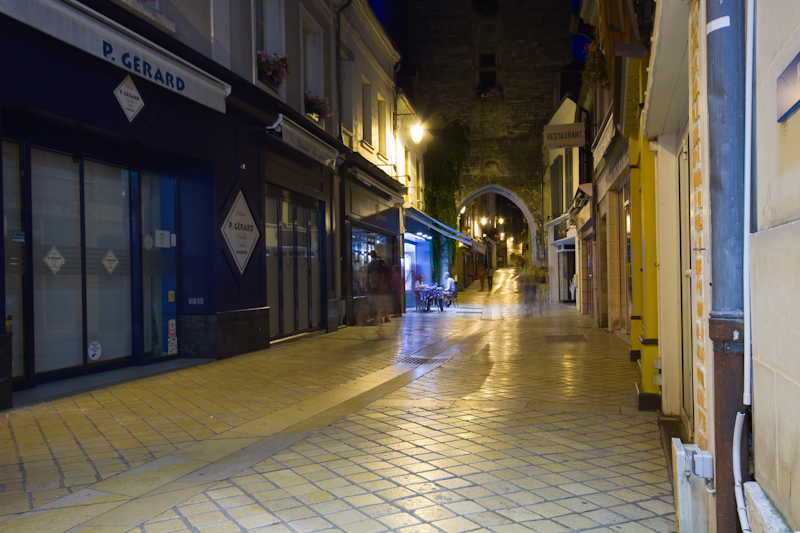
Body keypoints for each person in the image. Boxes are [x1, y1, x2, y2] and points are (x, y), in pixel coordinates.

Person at [366, 250, 390, 324]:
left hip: (374, 286)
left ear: (371, 256)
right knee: (384, 301)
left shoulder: (369, 265)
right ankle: (386, 316)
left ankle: (379, 317)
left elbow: (367, 276)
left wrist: (367, 287)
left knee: (377, 303)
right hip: (383, 285)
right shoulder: (382, 262)